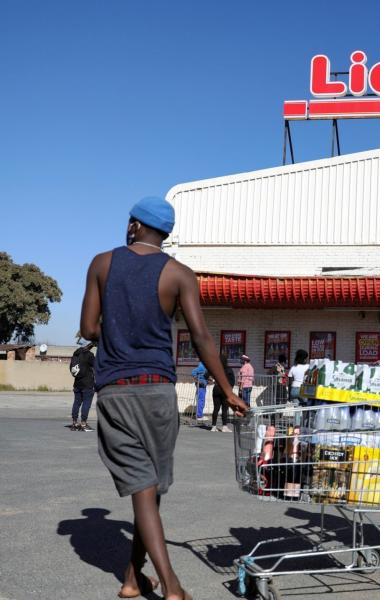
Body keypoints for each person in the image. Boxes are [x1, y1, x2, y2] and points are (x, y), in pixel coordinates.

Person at [80, 196, 245, 600]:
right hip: (158, 390)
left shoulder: (102, 263)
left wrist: (116, 337)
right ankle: (153, 582)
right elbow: (203, 338)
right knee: (149, 490)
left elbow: (87, 328)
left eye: (129, 222)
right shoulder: (180, 274)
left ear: (136, 225)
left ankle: (150, 582)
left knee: (145, 489)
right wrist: (228, 390)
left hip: (116, 390)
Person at [69, 341, 96, 431]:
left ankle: (74, 423)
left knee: (76, 403)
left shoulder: (75, 354)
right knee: (86, 403)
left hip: (77, 383)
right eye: (91, 345)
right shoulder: (89, 355)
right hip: (87, 383)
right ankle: (83, 424)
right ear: (88, 345)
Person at [210, 350, 236, 432]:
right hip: (225, 391)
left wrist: (214, 381)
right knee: (225, 409)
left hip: (216, 389)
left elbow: (206, 375)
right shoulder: (229, 370)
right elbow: (232, 381)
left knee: (216, 408)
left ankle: (213, 426)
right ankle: (224, 426)